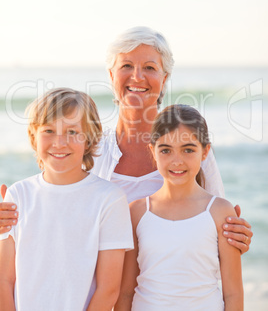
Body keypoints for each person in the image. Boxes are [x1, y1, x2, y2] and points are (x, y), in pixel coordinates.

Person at [0, 26, 253, 251]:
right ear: (111, 76)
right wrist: (9, 219)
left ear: (164, 79)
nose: (137, 77)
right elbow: (50, 215)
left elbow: (221, 229)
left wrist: (236, 236)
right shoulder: (85, 148)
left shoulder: (190, 153)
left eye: (150, 68)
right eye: (126, 66)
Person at [0, 88, 133, 311]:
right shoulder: (18, 195)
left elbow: (108, 289)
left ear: (89, 140)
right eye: (49, 131)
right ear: (34, 136)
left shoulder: (109, 200)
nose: (59, 142)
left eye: (72, 132)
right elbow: (4, 280)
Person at [115, 104, 244, 310]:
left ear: (205, 152)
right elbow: (126, 292)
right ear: (153, 151)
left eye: (188, 150)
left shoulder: (220, 212)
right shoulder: (137, 212)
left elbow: (233, 294)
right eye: (166, 150)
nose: (177, 161)